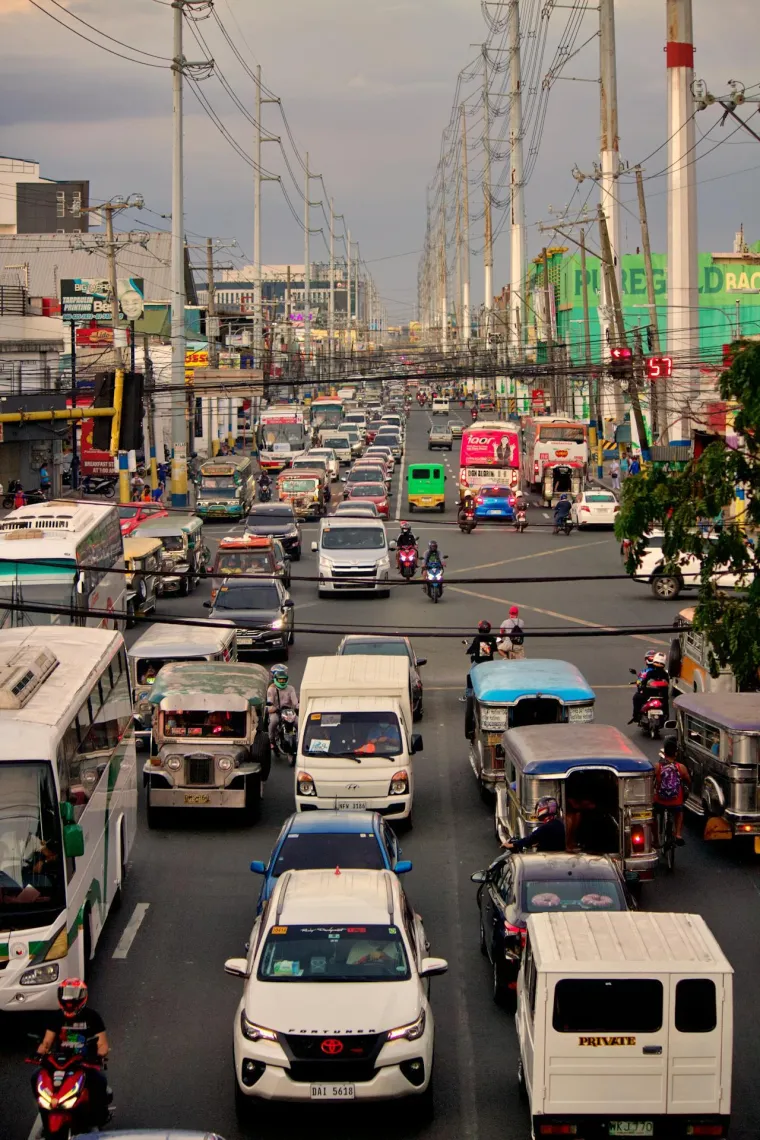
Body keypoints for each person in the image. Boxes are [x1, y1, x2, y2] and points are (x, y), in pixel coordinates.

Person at [35, 978, 110, 1126]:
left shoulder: (92, 1017)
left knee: (100, 1081)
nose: (69, 1000)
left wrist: (98, 1055)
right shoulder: (56, 1017)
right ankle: (45, 1117)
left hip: (84, 1062)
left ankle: (99, 1118)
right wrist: (40, 1054)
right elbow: (47, 1042)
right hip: (59, 1062)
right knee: (35, 1078)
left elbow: (103, 1044)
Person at [653, 738, 690, 845]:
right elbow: (688, 781)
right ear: (676, 753)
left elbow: (652, 781)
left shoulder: (658, 767)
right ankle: (678, 834)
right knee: (679, 812)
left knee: (652, 816)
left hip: (660, 801)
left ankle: (655, 839)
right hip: (675, 802)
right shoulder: (681, 767)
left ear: (664, 753)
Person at [629, 650, 669, 725]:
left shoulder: (649, 672)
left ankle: (636, 716)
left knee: (636, 697)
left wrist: (641, 684)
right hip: (660, 694)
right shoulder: (664, 673)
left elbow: (642, 682)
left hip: (650, 694)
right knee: (666, 701)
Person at [267, 664, 299, 753]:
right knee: (273, 721)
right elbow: (269, 703)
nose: (282, 681)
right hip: (276, 711)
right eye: (280, 680)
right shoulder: (271, 689)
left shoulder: (291, 688)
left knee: (298, 722)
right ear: (275, 679)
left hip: (289, 711)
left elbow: (295, 702)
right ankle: (271, 740)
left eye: (283, 680)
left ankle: (300, 741)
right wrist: (273, 708)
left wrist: (298, 706)